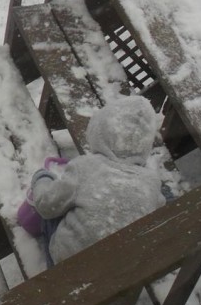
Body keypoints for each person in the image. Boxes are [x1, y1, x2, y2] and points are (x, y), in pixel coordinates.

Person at [23, 95, 166, 265]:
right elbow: (159, 205)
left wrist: (42, 178)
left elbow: (46, 205)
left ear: (98, 131)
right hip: (122, 273)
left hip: (69, 268)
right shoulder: (151, 181)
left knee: (53, 212)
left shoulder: (85, 167)